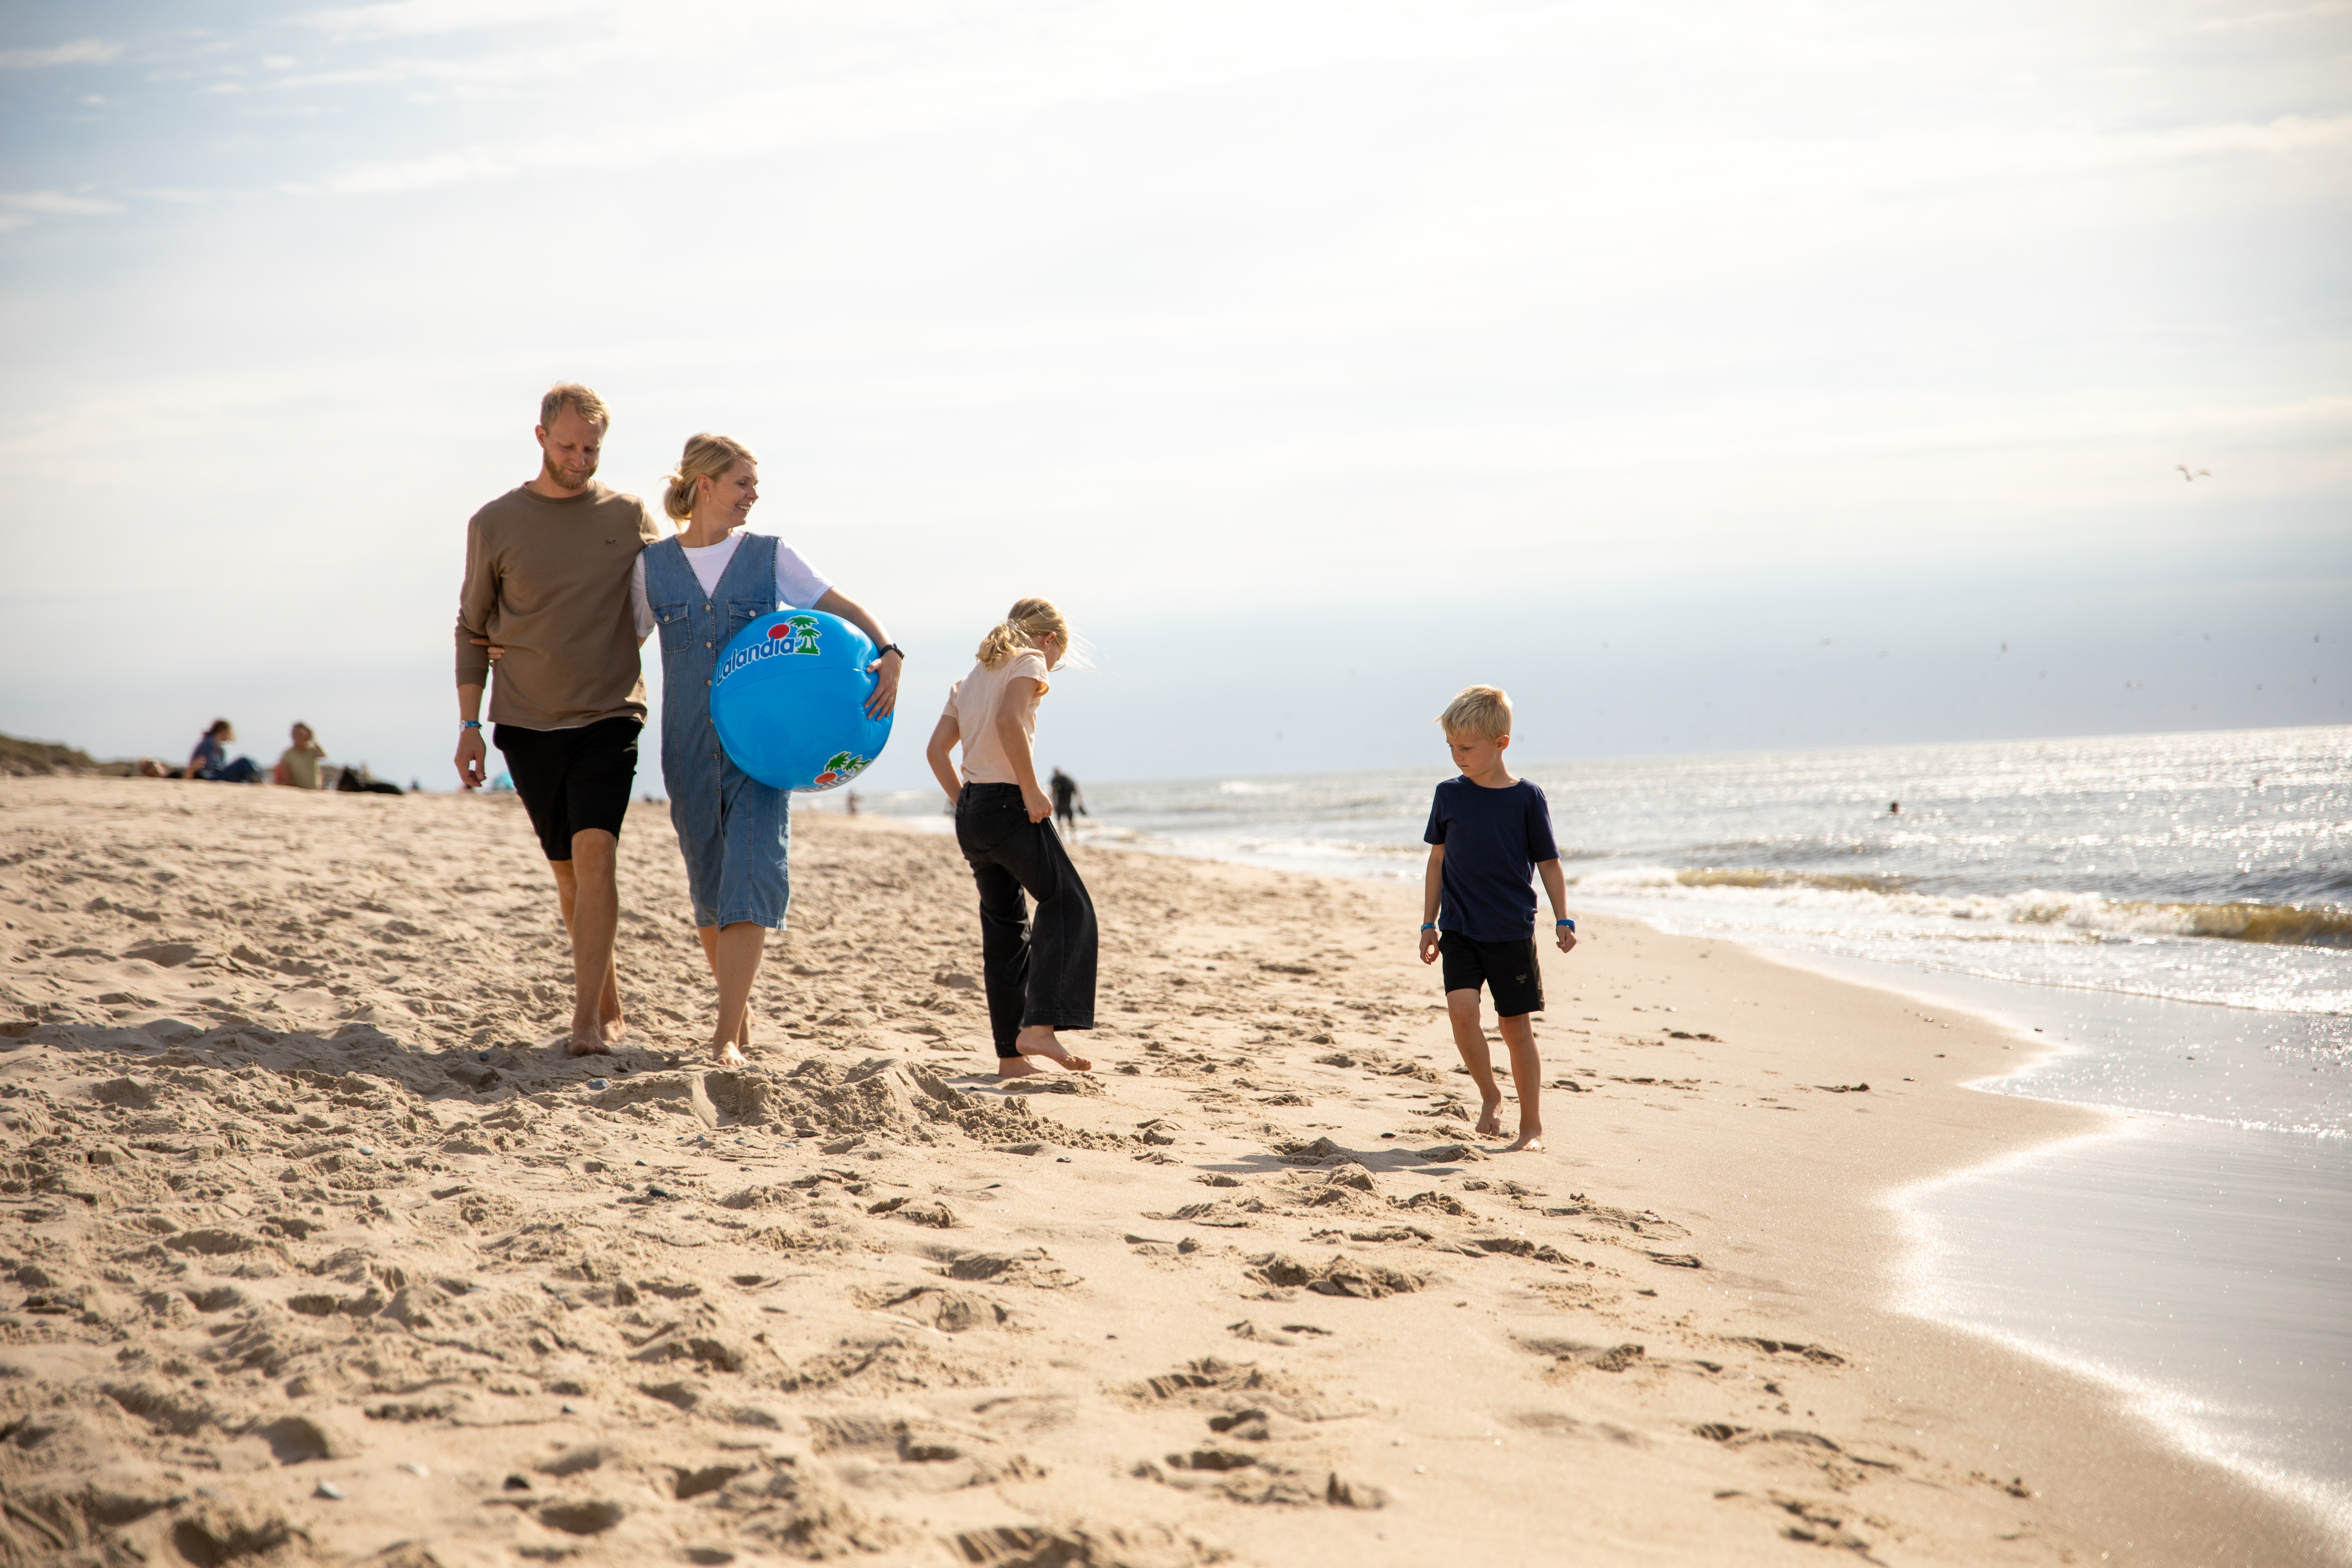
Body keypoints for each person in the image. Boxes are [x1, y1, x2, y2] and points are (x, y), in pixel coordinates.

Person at [635, 433, 904, 1065]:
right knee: (707, 885)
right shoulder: (652, 568)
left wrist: (888, 651)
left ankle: (726, 1034)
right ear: (705, 486)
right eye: (743, 484)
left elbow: (841, 605)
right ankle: (740, 1010)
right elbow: (616, 644)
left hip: (767, 750)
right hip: (686, 743)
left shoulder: (770, 557)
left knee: (752, 875)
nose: (754, 496)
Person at [453, 383, 663, 1057]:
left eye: (592, 448)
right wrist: (469, 725)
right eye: (569, 446)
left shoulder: (629, 515)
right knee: (568, 870)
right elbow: (472, 626)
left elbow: (676, 585)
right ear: (541, 438)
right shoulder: (495, 522)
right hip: (526, 720)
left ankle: (586, 1025)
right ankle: (608, 1001)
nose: (580, 459)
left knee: (598, 852)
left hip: (609, 712)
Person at [924, 599, 1097, 1080]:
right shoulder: (1030, 659)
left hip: (974, 811)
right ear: (1048, 640)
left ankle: (1011, 1057)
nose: (1052, 669)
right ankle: (1038, 1028)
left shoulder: (970, 679)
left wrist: (965, 804)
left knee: (1006, 933)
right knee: (1069, 905)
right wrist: (1031, 789)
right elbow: (1008, 721)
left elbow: (937, 751)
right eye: (1058, 658)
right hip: (1007, 804)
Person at [1417, 685, 1577, 1153]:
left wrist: (1562, 918)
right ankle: (1490, 1095)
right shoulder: (1448, 796)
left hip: (1510, 932)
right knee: (1462, 1014)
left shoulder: (1526, 799)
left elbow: (1548, 862)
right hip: (1460, 929)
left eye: (1466, 748)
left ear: (1501, 744)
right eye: (1451, 747)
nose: (1457, 756)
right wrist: (1429, 925)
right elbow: (1436, 862)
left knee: (1515, 1027)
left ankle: (1532, 1127)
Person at [182, 720, 261, 783]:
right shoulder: (209, 742)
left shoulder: (221, 750)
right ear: (223, 730)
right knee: (244, 762)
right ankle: (261, 782)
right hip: (210, 779)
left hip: (216, 777)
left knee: (250, 763)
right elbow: (208, 768)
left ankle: (261, 779)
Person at [275, 723, 327, 789]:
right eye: (296, 734)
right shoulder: (288, 754)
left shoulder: (312, 751)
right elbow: (287, 778)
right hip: (298, 791)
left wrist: (313, 739)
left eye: (301, 734)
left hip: (315, 790)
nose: (298, 737)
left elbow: (323, 755)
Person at [1049, 767, 1086, 838]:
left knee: (1059, 821)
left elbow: (1053, 793)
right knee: (1071, 821)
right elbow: (1077, 790)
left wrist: (1053, 805)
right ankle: (1074, 838)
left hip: (1060, 805)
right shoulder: (1068, 780)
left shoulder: (1055, 780)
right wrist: (1079, 804)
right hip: (1068, 804)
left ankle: (1061, 837)